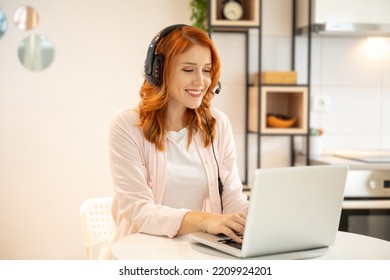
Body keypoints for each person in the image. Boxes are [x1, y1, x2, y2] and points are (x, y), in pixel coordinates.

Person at [103, 24, 249, 258]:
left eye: (207, 70)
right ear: (159, 71)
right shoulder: (126, 125)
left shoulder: (217, 125)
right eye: (188, 69)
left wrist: (257, 218)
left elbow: (231, 198)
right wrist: (205, 220)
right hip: (139, 257)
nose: (201, 81)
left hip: (194, 255)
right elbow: (138, 212)